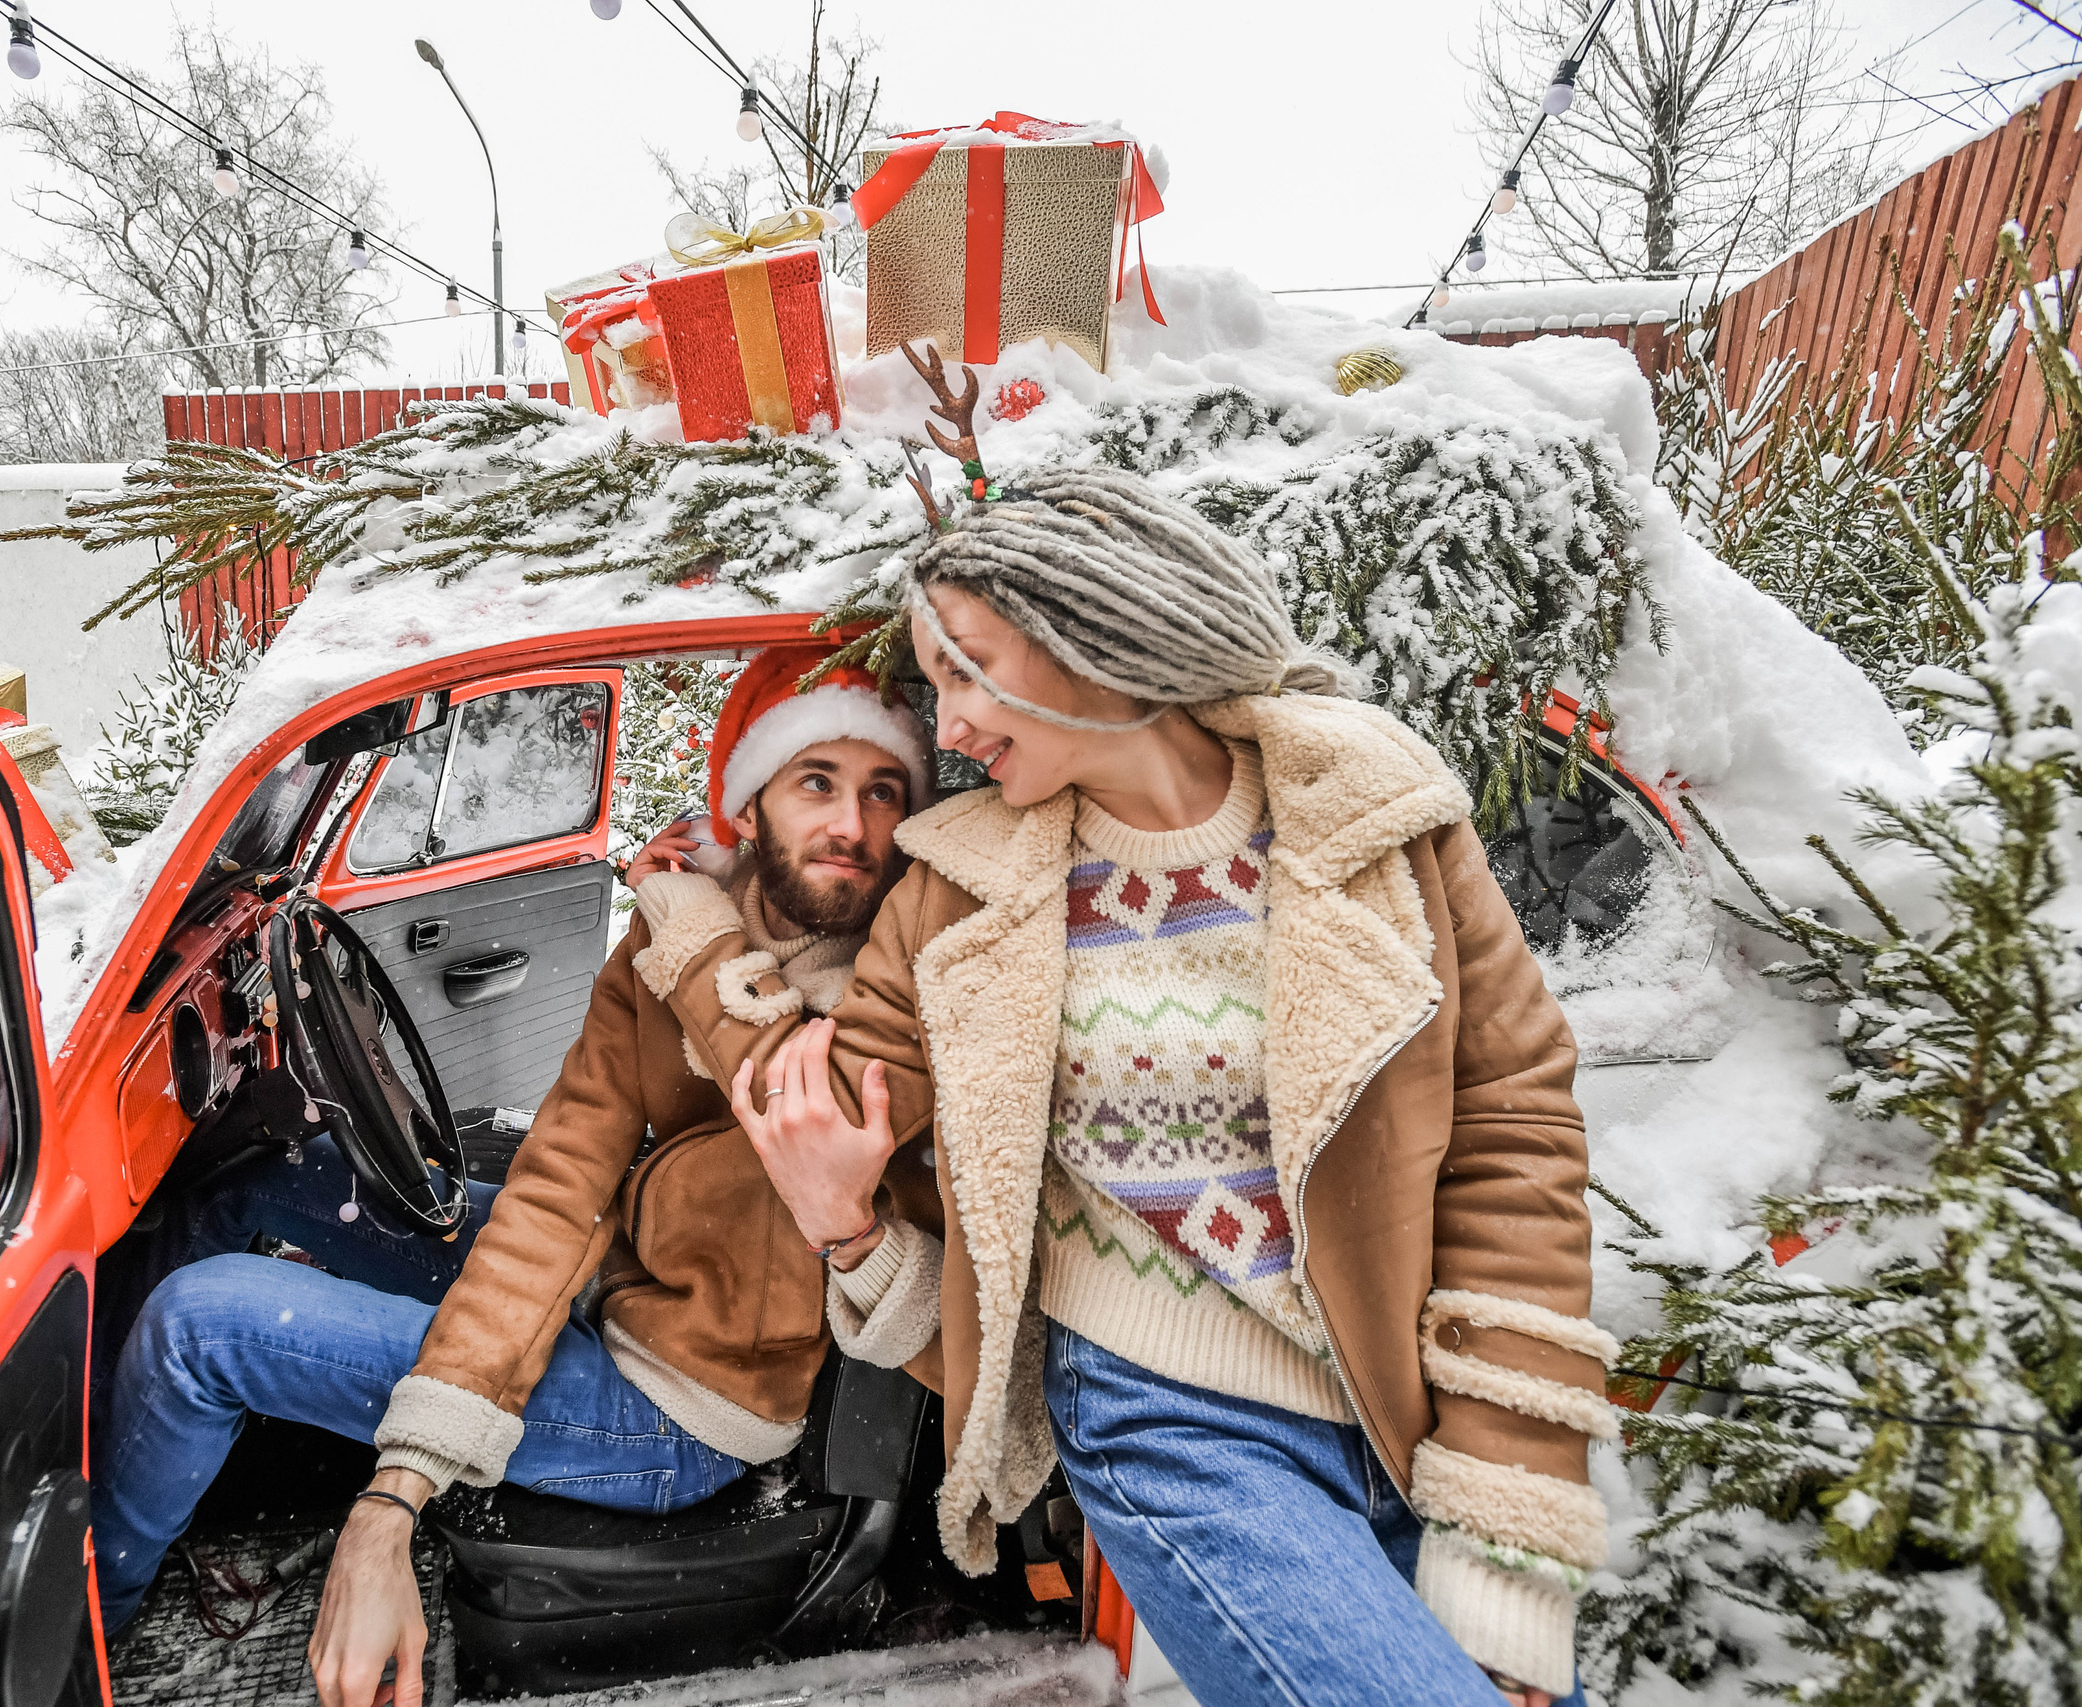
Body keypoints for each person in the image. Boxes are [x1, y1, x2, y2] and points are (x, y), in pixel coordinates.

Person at [625, 467, 1609, 1707]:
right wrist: (693, 925)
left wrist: (1505, 1535)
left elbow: (1513, 1138)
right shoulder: (958, 888)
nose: (948, 726)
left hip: (1401, 1399)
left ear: (1097, 634)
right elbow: (815, 1102)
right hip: (1168, 1417)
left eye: (966, 671)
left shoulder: (1377, 817)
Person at [86, 644, 940, 1705]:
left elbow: (788, 1092)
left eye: (883, 791)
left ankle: (84, 1626)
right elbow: (561, 1183)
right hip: (616, 1279)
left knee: (201, 1326)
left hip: (684, 1406)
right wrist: (683, 924)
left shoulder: (893, 989)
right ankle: (95, 1460)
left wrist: (391, 1498)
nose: (852, 825)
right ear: (748, 800)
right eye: (816, 780)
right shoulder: (678, 938)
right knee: (267, 1179)